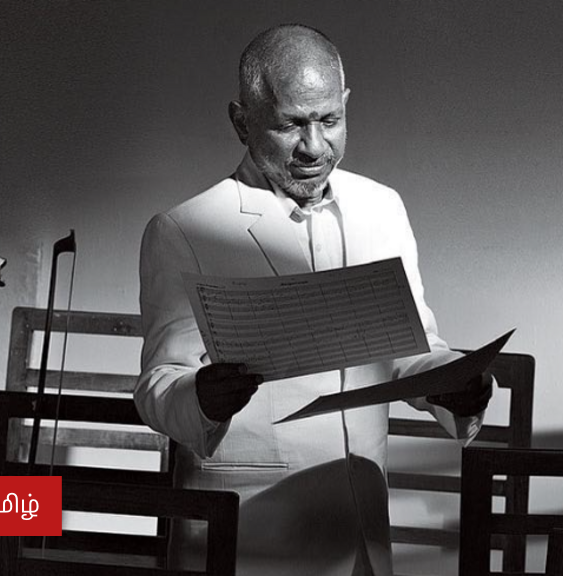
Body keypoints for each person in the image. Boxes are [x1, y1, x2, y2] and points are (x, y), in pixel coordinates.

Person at [135, 24, 493, 576]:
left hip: (362, 534)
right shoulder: (185, 231)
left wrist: (455, 382)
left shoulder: (383, 208)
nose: (314, 147)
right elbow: (157, 387)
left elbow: (411, 349)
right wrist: (203, 397)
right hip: (248, 537)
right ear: (241, 121)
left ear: (346, 104)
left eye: (329, 120)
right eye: (290, 124)